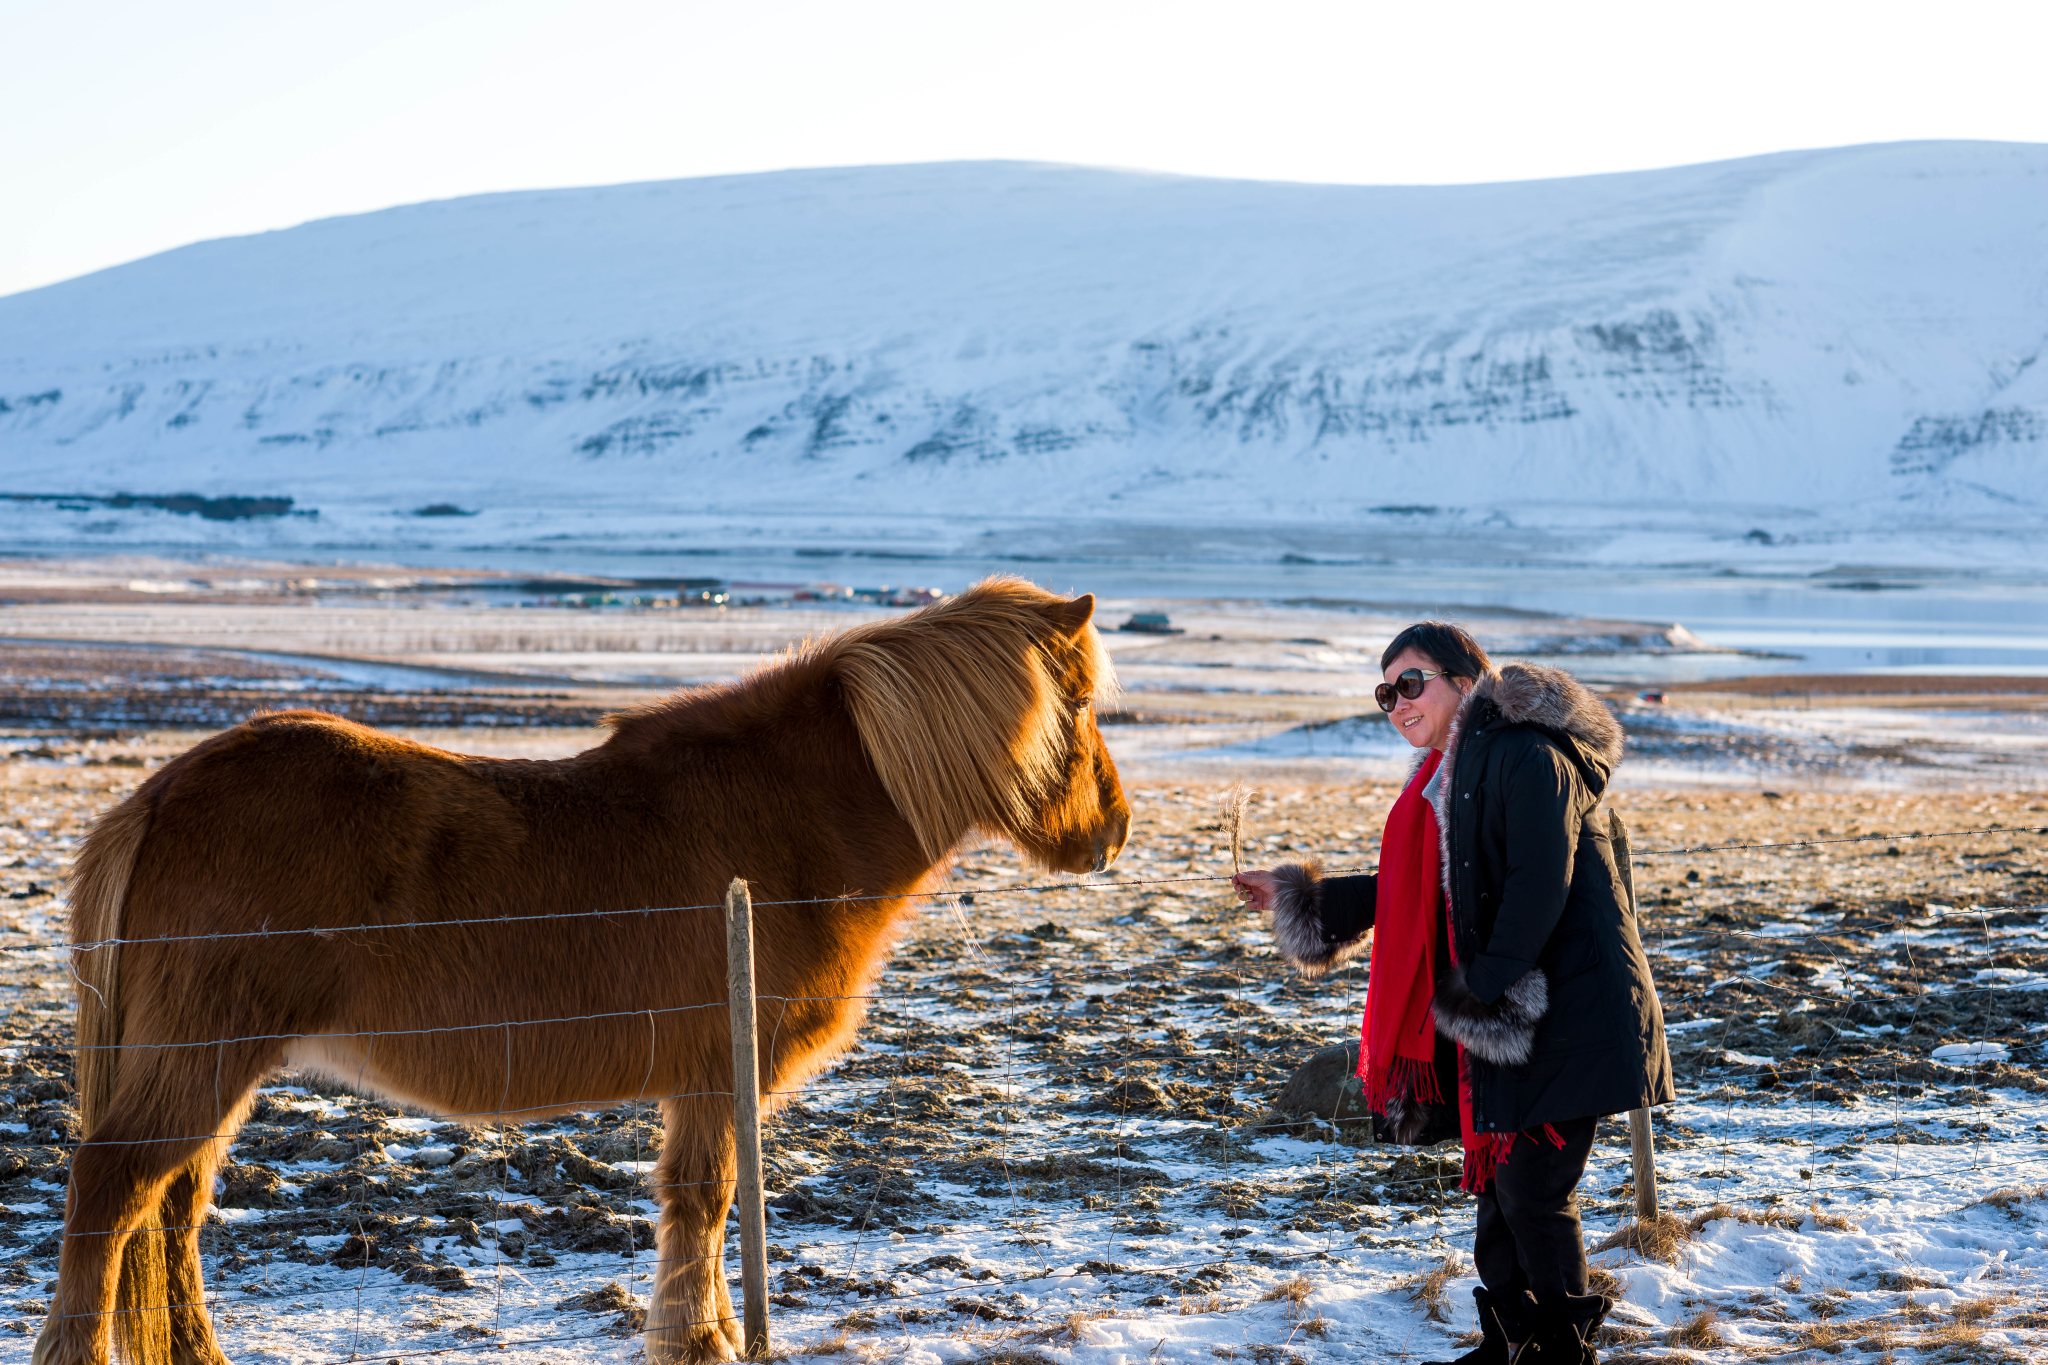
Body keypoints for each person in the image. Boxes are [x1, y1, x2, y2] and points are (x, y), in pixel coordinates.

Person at [1234, 622, 1672, 1365]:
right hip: (1518, 1016)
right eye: (1385, 691)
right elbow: (1416, 891)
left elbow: (1541, 883)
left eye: (1411, 682)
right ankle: (1511, 1344)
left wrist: (1484, 991)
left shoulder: (1525, 755)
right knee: (1499, 1191)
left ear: (1465, 682)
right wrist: (1299, 897)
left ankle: (1566, 1351)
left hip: (1569, 1015)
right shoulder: (1450, 775)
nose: (1396, 701)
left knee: (1533, 1191)